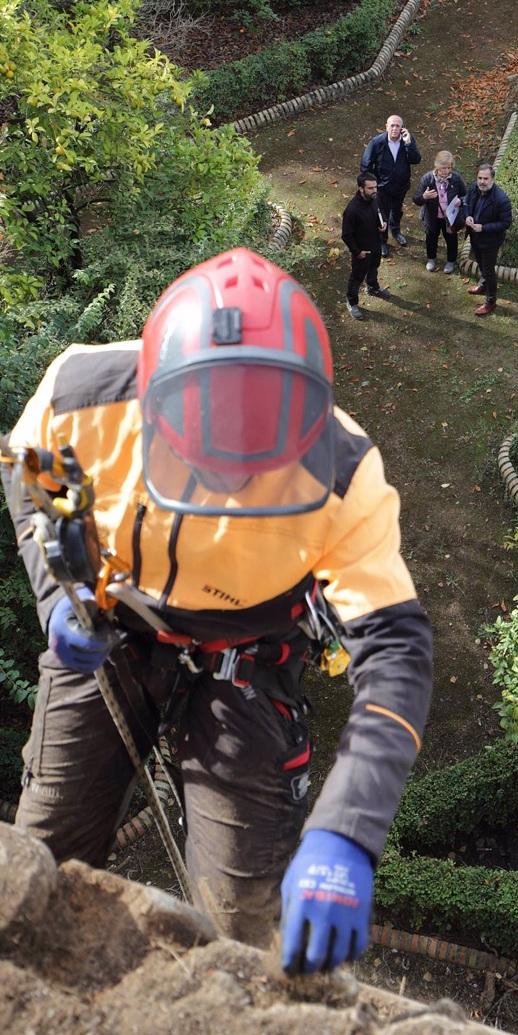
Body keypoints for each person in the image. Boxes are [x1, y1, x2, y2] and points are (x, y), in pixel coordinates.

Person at [1, 248, 433, 976]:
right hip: (111, 626)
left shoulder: (345, 472)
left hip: (248, 652)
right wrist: (57, 594)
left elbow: (395, 650)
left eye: (251, 469)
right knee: (44, 851)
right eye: (206, 463)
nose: (226, 491)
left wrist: (348, 829)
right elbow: (30, 472)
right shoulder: (83, 394)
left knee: (242, 912)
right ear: (153, 395)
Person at [360, 114, 421, 257]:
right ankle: (382, 241)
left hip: (401, 187)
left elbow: (416, 160)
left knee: (397, 211)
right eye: (392, 125)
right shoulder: (376, 142)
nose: (394, 128)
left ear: (402, 128)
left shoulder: (407, 141)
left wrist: (409, 144)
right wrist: (372, 185)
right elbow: (365, 165)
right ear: (386, 126)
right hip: (383, 188)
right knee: (382, 216)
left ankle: (396, 231)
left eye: (398, 126)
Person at [462, 163, 512, 316]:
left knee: (489, 271)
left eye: (485, 178)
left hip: (490, 241)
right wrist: (467, 216)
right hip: (474, 237)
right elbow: (466, 202)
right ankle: (483, 285)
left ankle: (491, 301)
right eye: (480, 178)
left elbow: (505, 223)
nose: (482, 182)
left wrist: (483, 228)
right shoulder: (474, 188)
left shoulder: (501, 199)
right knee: (480, 264)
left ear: (492, 179)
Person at [341, 172, 391, 320]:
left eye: (375, 187)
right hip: (362, 251)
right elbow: (346, 235)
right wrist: (357, 252)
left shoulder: (375, 198)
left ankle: (373, 287)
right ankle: (351, 302)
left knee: (374, 268)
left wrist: (384, 224)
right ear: (361, 189)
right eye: (370, 188)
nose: (374, 190)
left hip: (375, 245)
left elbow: (381, 212)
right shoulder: (352, 210)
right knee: (357, 277)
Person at [412, 150, 467, 275]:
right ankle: (431, 259)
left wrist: (460, 200)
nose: (446, 171)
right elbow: (416, 199)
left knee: (451, 239)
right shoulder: (427, 179)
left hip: (450, 217)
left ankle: (451, 261)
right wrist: (424, 196)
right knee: (431, 238)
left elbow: (466, 196)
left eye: (449, 167)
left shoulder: (456, 179)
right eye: (443, 168)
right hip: (432, 217)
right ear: (436, 166)